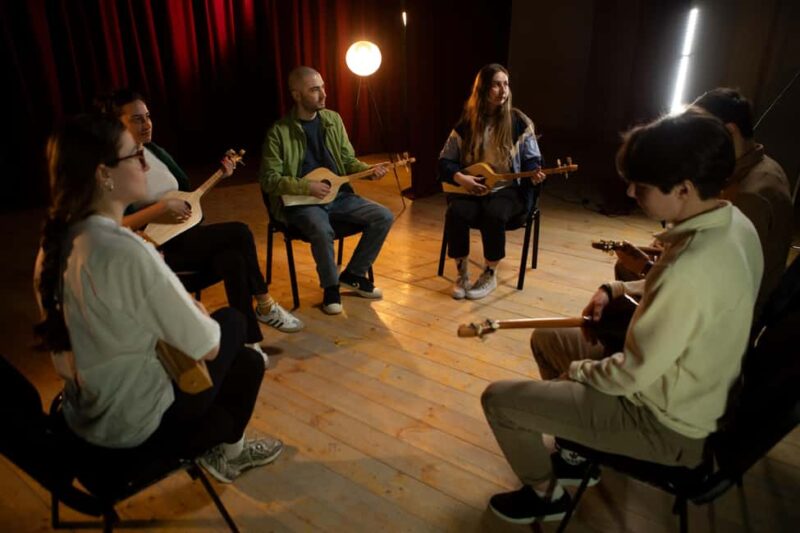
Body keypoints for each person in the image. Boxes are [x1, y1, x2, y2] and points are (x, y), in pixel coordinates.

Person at [482, 112, 763, 524]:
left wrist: (578, 372)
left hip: (665, 424)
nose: (631, 191)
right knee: (546, 338)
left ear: (683, 189)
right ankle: (576, 453)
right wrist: (616, 288)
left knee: (499, 400)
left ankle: (546, 496)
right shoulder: (734, 223)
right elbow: (674, 290)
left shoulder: (691, 266)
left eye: (642, 186)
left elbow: (630, 373)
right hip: (684, 387)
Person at [33, 113, 283, 484]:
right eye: (135, 154)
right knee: (234, 331)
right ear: (104, 174)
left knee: (240, 349)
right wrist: (192, 307)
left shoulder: (55, 245)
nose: (145, 161)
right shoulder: (125, 251)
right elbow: (208, 344)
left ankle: (228, 450)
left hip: (83, 416)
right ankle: (225, 451)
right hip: (132, 430)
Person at [98, 89, 303, 366]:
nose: (146, 124)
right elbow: (112, 224)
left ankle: (249, 342)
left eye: (148, 117)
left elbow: (184, 199)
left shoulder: (155, 152)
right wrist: (159, 210)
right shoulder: (111, 169)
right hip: (157, 249)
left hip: (186, 236)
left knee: (233, 260)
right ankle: (264, 304)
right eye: (136, 119)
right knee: (240, 232)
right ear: (115, 124)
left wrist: (222, 174)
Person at [615, 88, 792, 320]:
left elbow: (723, 286)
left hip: (729, 317)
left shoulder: (750, 195)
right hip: (708, 292)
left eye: (700, 136)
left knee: (623, 279)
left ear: (729, 131)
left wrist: (649, 269)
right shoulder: (760, 167)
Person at [259, 66, 394, 315]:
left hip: (339, 196)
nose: (323, 95)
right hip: (302, 202)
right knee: (322, 229)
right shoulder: (279, 132)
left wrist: (368, 171)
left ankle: (353, 274)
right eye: (314, 90)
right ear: (297, 95)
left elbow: (348, 161)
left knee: (383, 216)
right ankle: (330, 287)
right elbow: (268, 180)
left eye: (322, 87)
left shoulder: (332, 120)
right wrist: (306, 186)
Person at [438, 63, 545, 300]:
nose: (502, 90)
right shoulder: (467, 123)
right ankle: (462, 272)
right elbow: (445, 161)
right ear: (484, 88)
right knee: (456, 211)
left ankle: (489, 273)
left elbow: (532, 159)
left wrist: (535, 173)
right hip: (474, 186)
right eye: (496, 84)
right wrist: (462, 178)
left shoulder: (519, 121)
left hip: (509, 190)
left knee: (494, 213)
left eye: (506, 84)